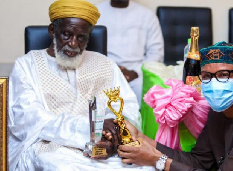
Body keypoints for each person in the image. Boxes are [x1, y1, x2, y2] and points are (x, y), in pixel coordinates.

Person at [115, 42, 233, 170]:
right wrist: (142, 138)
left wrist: (158, 160)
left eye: (223, 75)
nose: (213, 84)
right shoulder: (221, 107)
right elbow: (199, 161)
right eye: (206, 77)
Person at [8, 0, 146, 170]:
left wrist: (112, 139)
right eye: (66, 34)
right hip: (50, 147)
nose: (73, 44)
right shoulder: (27, 65)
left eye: (81, 38)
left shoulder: (105, 64)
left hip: (104, 151)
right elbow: (28, 119)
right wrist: (90, 127)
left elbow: (127, 109)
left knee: (145, 167)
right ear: (52, 31)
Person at [96, 0, 164, 106]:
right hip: (104, 69)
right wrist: (111, 70)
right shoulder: (96, 12)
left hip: (137, 72)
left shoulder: (147, 15)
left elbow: (156, 52)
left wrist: (137, 72)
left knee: (148, 91)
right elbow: (89, 49)